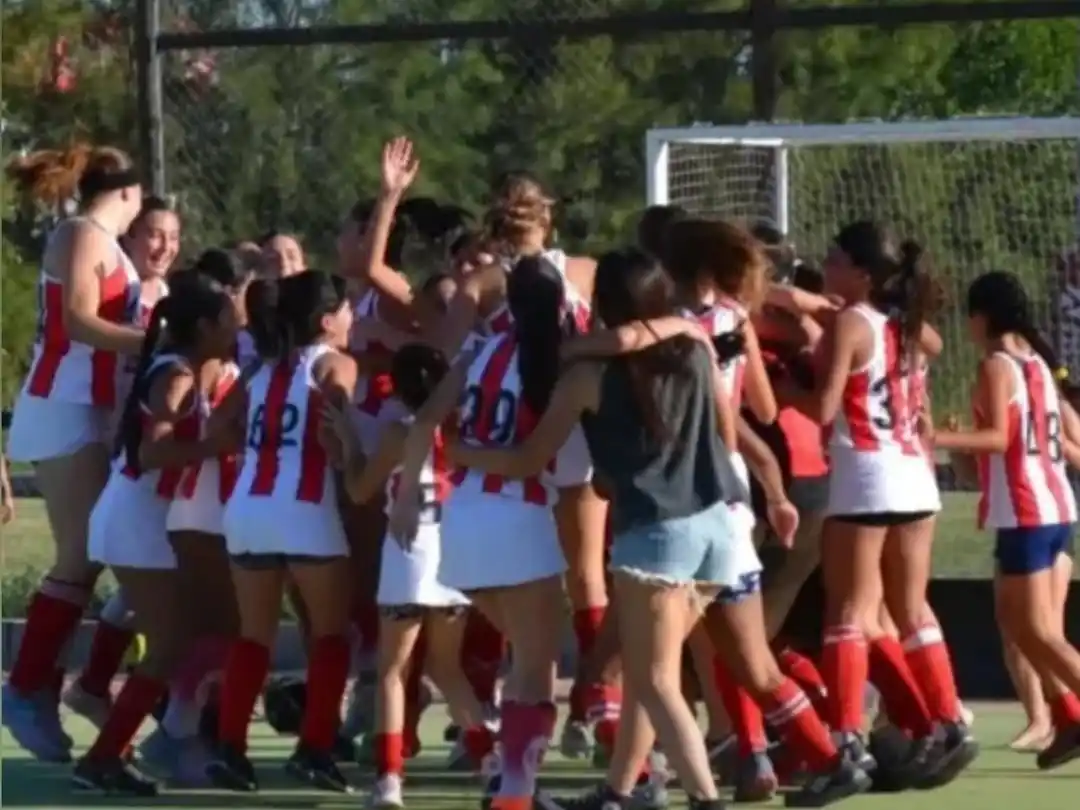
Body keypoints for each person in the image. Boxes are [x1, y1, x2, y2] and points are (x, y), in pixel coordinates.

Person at [445, 248, 871, 809]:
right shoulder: (695, 348)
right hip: (720, 529)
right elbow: (729, 428)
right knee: (661, 671)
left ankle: (703, 796)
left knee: (654, 681)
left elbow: (529, 459)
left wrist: (461, 453)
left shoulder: (584, 374)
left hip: (656, 535)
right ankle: (623, 790)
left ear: (603, 306)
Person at [390, 255, 593, 809]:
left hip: (461, 520)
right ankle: (516, 792)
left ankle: (515, 782)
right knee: (534, 670)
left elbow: (426, 420)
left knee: (523, 658)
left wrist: (408, 494)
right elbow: (530, 462)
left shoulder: (479, 350)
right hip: (517, 518)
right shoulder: (558, 357)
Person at [783, 220, 974, 788]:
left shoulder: (851, 323)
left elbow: (821, 408)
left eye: (836, 259)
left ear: (863, 274)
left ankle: (844, 740)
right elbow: (929, 344)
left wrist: (767, 393)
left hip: (865, 476)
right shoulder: (907, 325)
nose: (827, 266)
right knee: (912, 611)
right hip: (916, 477)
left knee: (847, 615)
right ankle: (948, 720)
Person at [2, 143, 145, 762]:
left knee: (98, 554)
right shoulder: (81, 233)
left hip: (90, 406)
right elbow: (82, 321)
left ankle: (60, 686)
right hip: (62, 403)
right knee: (80, 554)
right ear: (129, 192)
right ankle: (27, 687)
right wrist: (158, 338)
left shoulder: (107, 244)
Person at [73, 272, 239, 794]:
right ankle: (104, 756)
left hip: (147, 518)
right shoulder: (176, 375)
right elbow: (150, 454)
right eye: (230, 320)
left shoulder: (191, 368)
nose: (238, 328)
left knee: (188, 633)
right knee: (169, 644)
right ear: (206, 326)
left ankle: (142, 744)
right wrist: (216, 447)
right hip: (135, 517)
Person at [324, 342, 497, 807]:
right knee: (447, 667)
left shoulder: (400, 433)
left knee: (393, 670)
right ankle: (491, 762)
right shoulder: (464, 433)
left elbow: (361, 490)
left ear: (398, 389)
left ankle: (389, 780)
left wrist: (348, 442)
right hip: (454, 554)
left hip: (409, 552)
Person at [207, 270, 357, 793]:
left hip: (248, 507)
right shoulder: (336, 364)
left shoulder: (261, 370)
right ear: (325, 319)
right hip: (305, 508)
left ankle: (230, 748)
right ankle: (315, 748)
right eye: (345, 309)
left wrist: (257, 448)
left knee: (254, 636)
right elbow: (337, 434)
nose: (351, 318)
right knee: (332, 634)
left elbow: (215, 428)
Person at [931, 270, 1080, 770]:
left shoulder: (998, 364)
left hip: (1029, 508)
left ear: (981, 316)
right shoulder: (1036, 361)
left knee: (1038, 630)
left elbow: (998, 438)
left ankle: (1072, 708)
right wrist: (959, 445)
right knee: (1016, 622)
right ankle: (1067, 713)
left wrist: (934, 436)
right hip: (1047, 505)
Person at [122, 196, 181, 323]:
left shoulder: (174, 301)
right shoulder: (114, 291)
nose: (166, 247)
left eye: (173, 237)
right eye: (155, 236)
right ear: (129, 237)